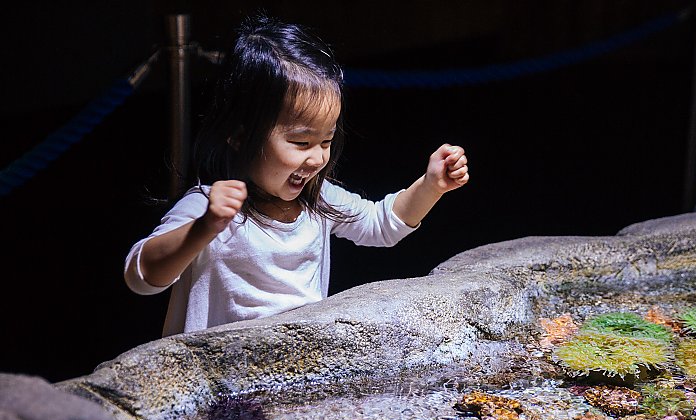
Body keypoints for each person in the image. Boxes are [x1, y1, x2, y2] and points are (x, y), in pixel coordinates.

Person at [124, 14, 469, 336]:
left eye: (327, 140)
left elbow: (381, 223)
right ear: (241, 135)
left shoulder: (316, 200)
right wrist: (203, 228)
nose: (317, 157)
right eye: (300, 141)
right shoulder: (211, 206)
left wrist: (431, 185)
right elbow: (142, 276)